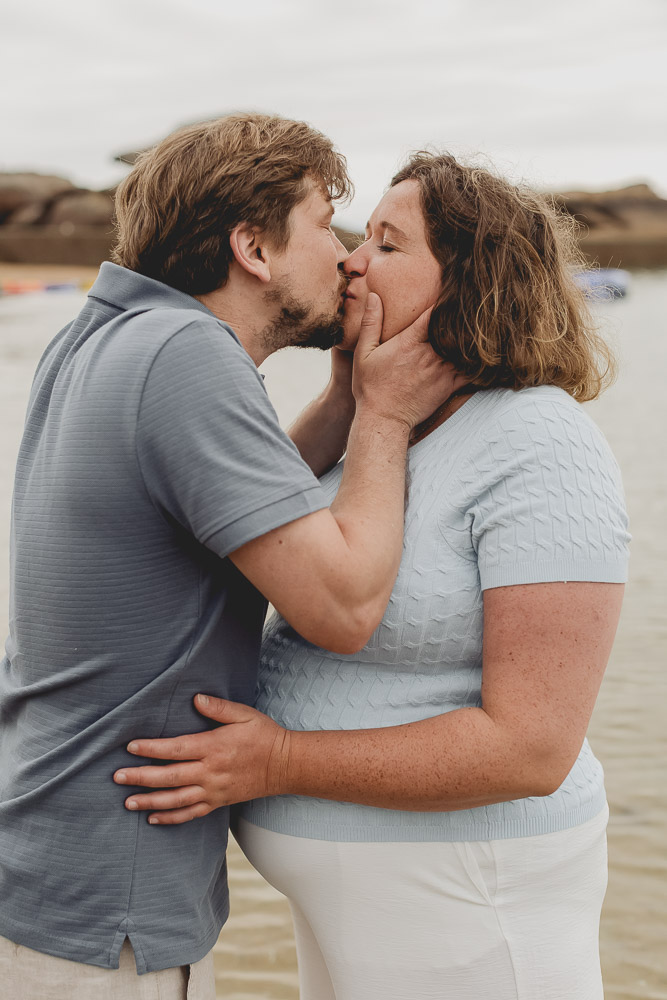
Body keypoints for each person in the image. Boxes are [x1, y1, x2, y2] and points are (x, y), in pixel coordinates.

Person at [120, 152, 631, 1000]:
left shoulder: (540, 440)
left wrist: (280, 762)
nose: (351, 261)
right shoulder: (379, 427)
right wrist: (353, 399)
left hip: (470, 898)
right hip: (374, 907)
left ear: (470, 281)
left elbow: (533, 747)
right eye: (358, 237)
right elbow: (229, 540)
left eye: (387, 245)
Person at [0, 118, 462, 1000]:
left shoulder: (106, 334)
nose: (348, 256)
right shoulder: (186, 356)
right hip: (106, 922)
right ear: (252, 248)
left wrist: (342, 397)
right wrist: (386, 415)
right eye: (325, 225)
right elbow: (342, 608)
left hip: (53, 874)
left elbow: (235, 502)